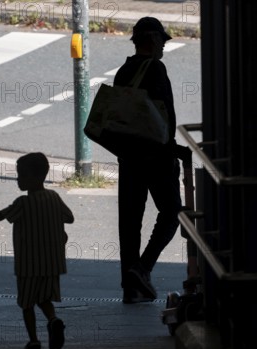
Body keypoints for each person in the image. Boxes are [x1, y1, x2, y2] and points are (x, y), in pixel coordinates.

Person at [113, 17, 184, 304]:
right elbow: (165, 116)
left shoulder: (123, 71)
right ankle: (142, 268)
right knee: (172, 212)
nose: (164, 47)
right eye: (162, 41)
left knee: (129, 222)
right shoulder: (155, 68)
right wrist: (173, 153)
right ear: (153, 40)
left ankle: (130, 289)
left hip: (129, 158)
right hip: (155, 157)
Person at [0, 152, 74, 349]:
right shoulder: (54, 197)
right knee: (44, 297)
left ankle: (33, 342)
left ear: (32, 178)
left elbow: (1, 215)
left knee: (27, 303)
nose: (18, 180)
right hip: (51, 263)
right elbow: (70, 218)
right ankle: (53, 320)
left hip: (29, 265)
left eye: (21, 175)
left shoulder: (22, 203)